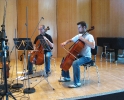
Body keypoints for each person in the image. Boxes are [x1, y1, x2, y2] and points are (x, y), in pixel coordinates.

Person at [59, 21, 95, 88]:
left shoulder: (90, 36)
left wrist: (84, 40)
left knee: (75, 63)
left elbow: (93, 46)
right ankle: (66, 77)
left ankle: (77, 83)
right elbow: (70, 40)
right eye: (78, 28)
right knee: (65, 59)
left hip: (86, 57)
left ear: (84, 27)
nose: (78, 29)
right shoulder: (79, 36)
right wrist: (65, 42)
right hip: (79, 55)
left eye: (79, 27)